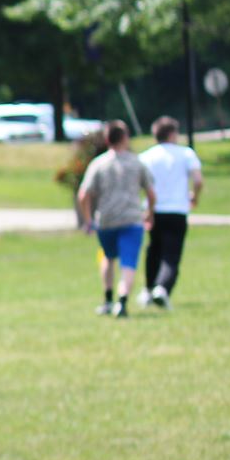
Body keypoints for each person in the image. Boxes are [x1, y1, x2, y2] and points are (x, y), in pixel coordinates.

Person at [77, 119, 155, 318]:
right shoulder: (136, 162)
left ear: (107, 139)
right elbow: (151, 193)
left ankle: (108, 300)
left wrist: (88, 219)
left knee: (107, 256)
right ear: (125, 138)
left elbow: (83, 195)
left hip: (106, 220)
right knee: (128, 262)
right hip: (132, 219)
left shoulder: (99, 164)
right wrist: (150, 213)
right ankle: (122, 301)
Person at [137, 115, 203, 310]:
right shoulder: (186, 154)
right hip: (177, 210)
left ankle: (148, 289)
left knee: (154, 250)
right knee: (171, 254)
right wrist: (195, 197)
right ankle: (162, 288)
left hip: (154, 210)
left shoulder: (146, 156)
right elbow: (198, 180)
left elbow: (139, 185)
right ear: (172, 134)